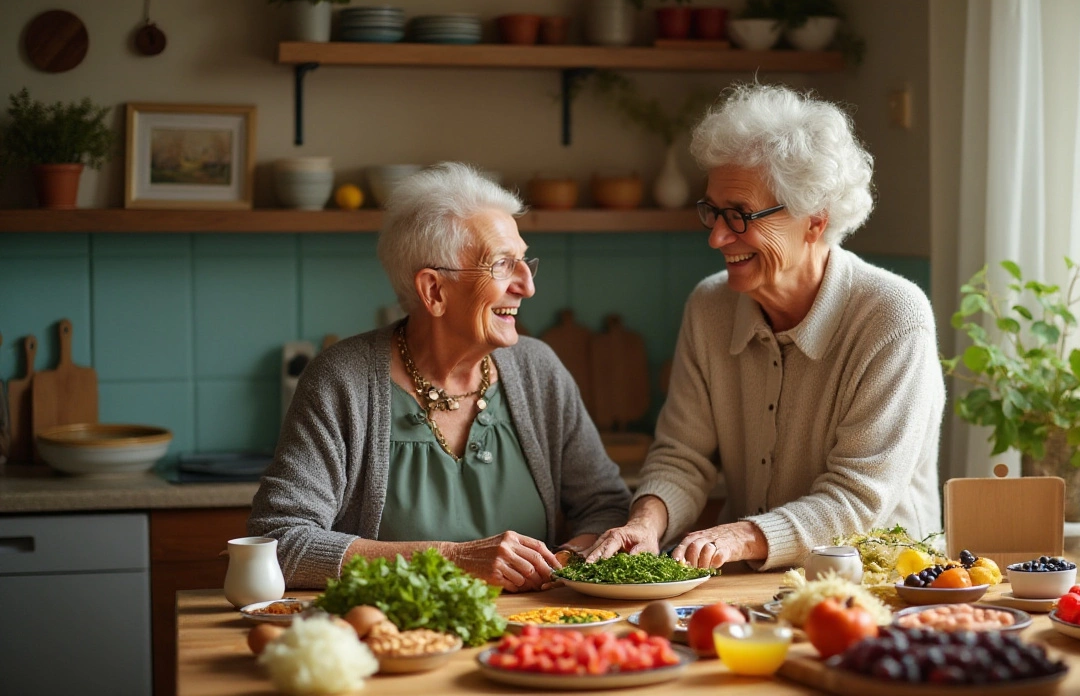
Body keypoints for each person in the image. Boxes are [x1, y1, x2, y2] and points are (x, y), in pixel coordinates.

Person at [586, 83, 945, 571]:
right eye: (713, 212)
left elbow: (857, 500)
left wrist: (737, 537)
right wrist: (645, 525)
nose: (716, 237)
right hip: (752, 585)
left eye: (739, 216)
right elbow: (682, 455)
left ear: (814, 221)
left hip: (881, 586)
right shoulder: (710, 306)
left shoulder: (893, 317)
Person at [249, 162, 632, 591]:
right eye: (502, 266)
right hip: (391, 639)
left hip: (532, 635)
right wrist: (454, 560)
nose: (527, 286)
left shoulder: (538, 369)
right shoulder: (343, 381)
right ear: (433, 290)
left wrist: (559, 564)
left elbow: (608, 508)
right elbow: (279, 542)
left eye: (524, 262)